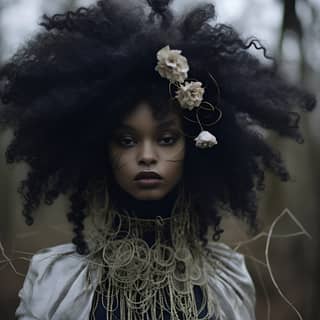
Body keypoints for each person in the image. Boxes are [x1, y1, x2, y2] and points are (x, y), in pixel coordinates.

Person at [0, 0, 316, 319]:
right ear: (100, 149)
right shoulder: (55, 282)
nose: (147, 156)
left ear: (192, 145)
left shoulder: (228, 279)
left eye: (166, 139)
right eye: (127, 140)